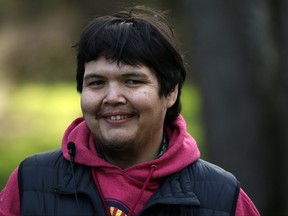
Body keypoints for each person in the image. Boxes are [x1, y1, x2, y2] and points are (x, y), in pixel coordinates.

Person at [0, 5, 260, 216]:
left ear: (171, 92)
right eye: (97, 83)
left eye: (133, 81)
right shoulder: (30, 183)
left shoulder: (222, 198)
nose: (112, 98)